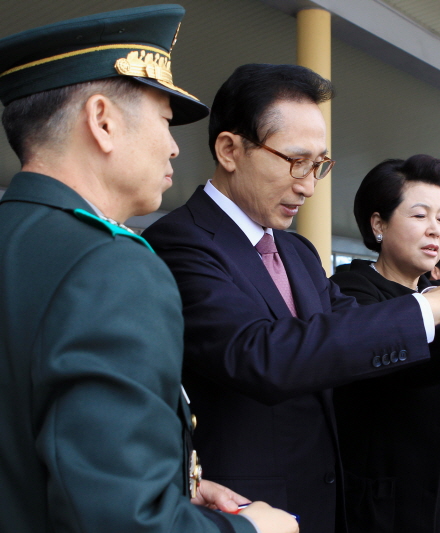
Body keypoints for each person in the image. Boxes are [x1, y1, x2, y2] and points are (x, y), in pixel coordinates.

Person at [142, 64, 440, 533]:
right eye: (295, 161)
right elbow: (260, 353)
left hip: (323, 507)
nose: (309, 185)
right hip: (242, 511)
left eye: (319, 165)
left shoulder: (296, 252)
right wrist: (437, 304)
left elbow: (362, 345)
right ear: (230, 150)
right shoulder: (180, 242)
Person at [0, 6, 297, 533]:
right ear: (103, 121)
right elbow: (124, 522)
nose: (175, 145)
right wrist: (253, 530)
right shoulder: (109, 266)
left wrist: (178, 485)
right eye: (164, 119)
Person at [330, 155, 440, 533]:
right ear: (379, 224)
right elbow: (395, 368)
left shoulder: (439, 294)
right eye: (420, 216)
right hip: (379, 503)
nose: (435, 231)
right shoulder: (350, 290)